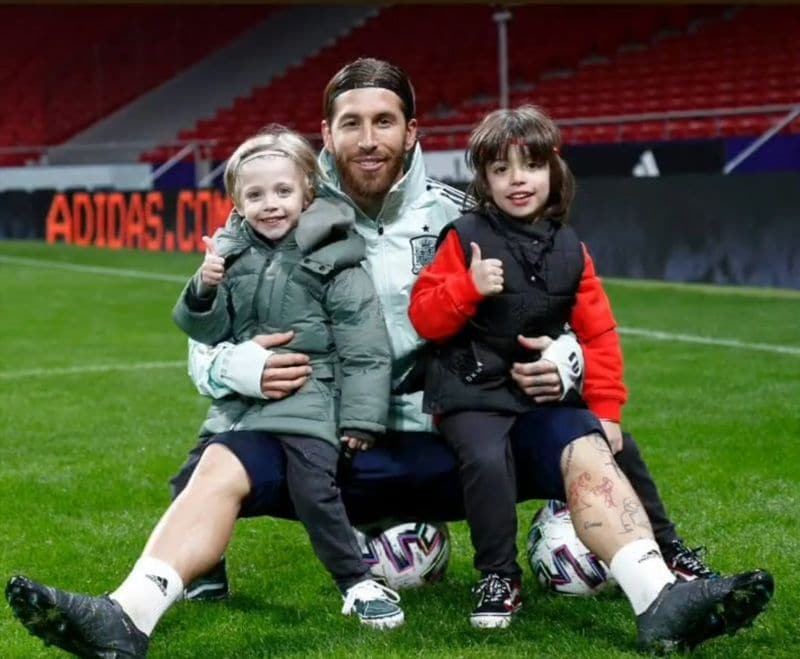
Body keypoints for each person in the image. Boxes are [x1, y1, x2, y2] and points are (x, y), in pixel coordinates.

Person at [4, 59, 761, 656]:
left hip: (458, 440)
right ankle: (125, 616)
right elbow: (207, 338)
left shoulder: (470, 217)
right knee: (222, 459)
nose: (369, 138)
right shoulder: (275, 218)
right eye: (351, 123)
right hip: (337, 450)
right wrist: (232, 368)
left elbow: (547, 304)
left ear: (411, 130)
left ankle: (661, 599)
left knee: (577, 435)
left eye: (384, 121)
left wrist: (563, 359)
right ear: (327, 134)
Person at [5, 126, 406, 658]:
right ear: (237, 202)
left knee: (316, 489)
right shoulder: (230, 254)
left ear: (307, 194)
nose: (270, 205)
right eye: (255, 195)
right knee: (189, 478)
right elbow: (206, 331)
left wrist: (360, 419)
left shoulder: (335, 257)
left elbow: (365, 346)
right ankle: (206, 577)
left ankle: (358, 584)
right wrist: (205, 286)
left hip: (311, 399)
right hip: (242, 405)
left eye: (282, 192)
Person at [405, 105, 770, 637]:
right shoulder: (464, 236)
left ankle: (672, 557)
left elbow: (598, 334)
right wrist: (467, 287)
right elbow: (424, 316)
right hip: (471, 393)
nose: (516, 179)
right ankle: (498, 577)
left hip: (537, 398)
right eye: (500, 169)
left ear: (554, 170)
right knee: (485, 458)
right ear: (483, 180)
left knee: (620, 448)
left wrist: (605, 411)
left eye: (528, 165)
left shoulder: (571, 248)